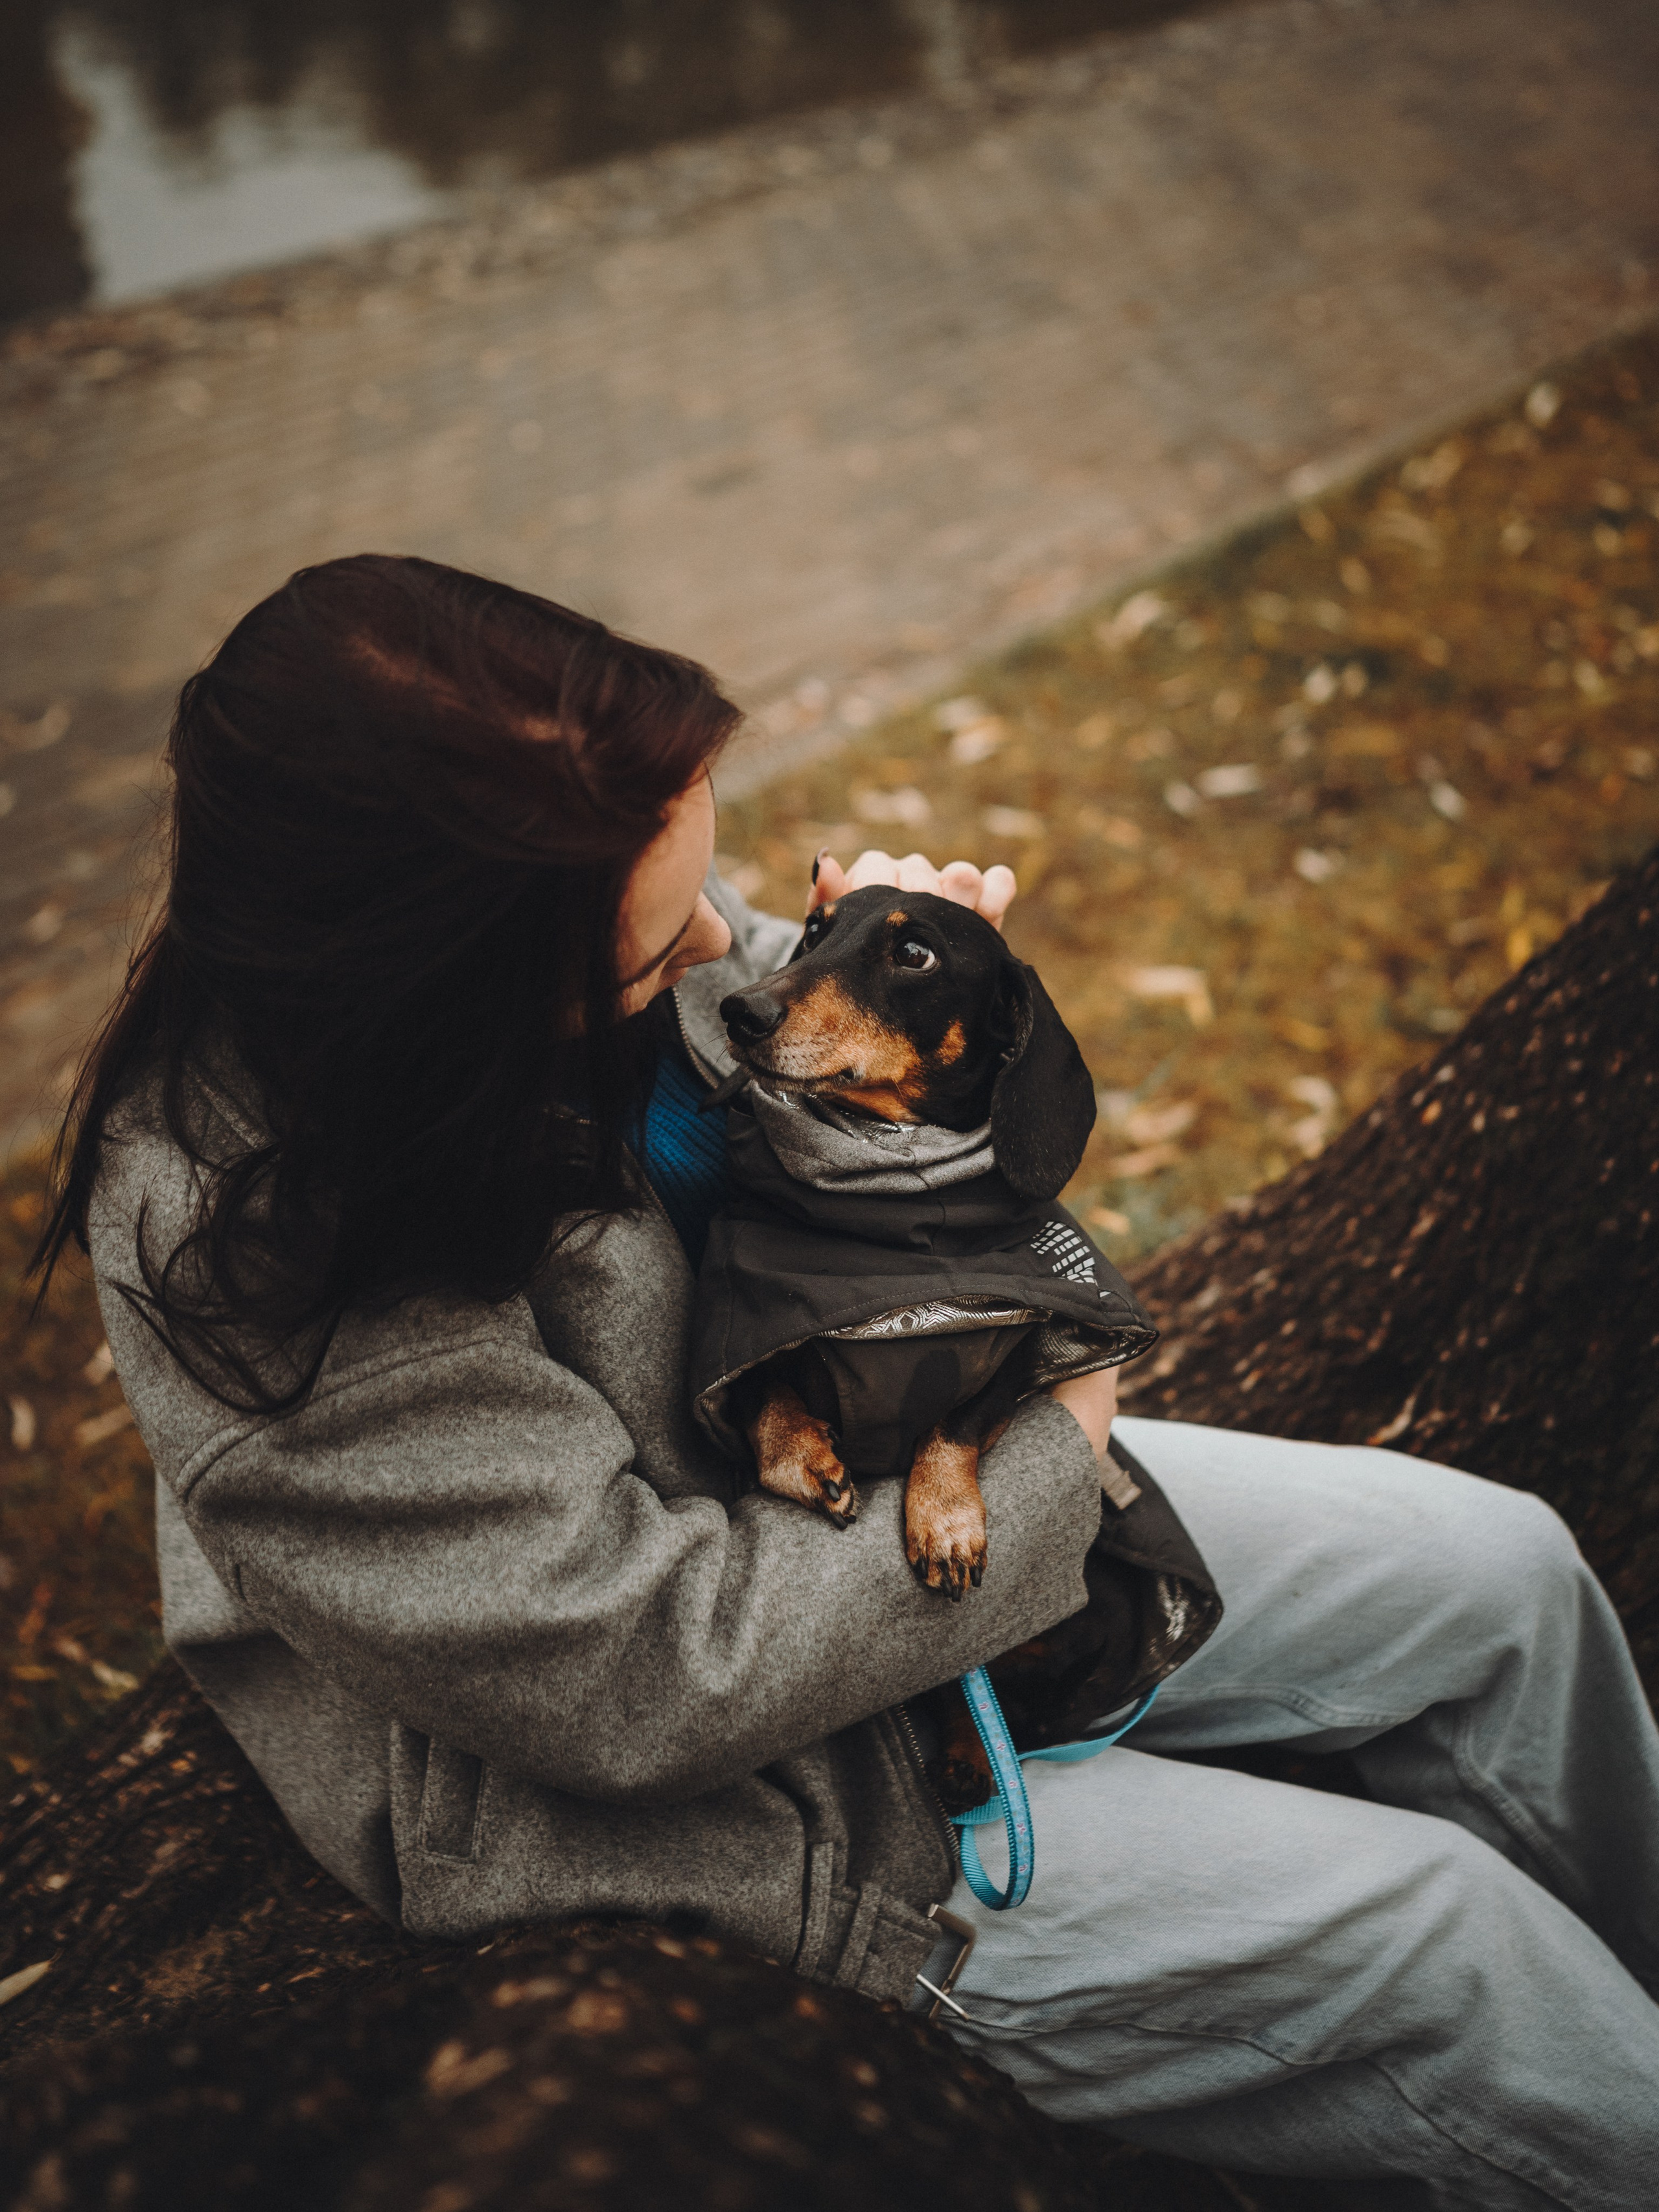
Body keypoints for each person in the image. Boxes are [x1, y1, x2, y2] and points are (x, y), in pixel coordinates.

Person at [36, 555, 1659, 2209]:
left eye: (709, 896)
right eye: (651, 952)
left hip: (857, 1455)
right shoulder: (259, 1259)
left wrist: (906, 973)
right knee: (1448, 1944)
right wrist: (1050, 1441)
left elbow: (777, 1047)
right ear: (444, 993)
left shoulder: (566, 945)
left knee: (1501, 1579)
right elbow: (645, 1675)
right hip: (729, 1777)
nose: (714, 961)